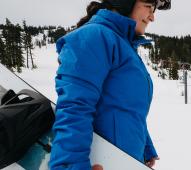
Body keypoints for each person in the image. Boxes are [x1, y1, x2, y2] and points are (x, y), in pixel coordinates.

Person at [49, 0, 171, 170]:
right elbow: (74, 109)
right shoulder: (95, 37)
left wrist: (145, 147)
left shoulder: (123, 44)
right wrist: (71, 167)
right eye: (148, 7)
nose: (152, 17)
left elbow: (125, 108)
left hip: (124, 159)